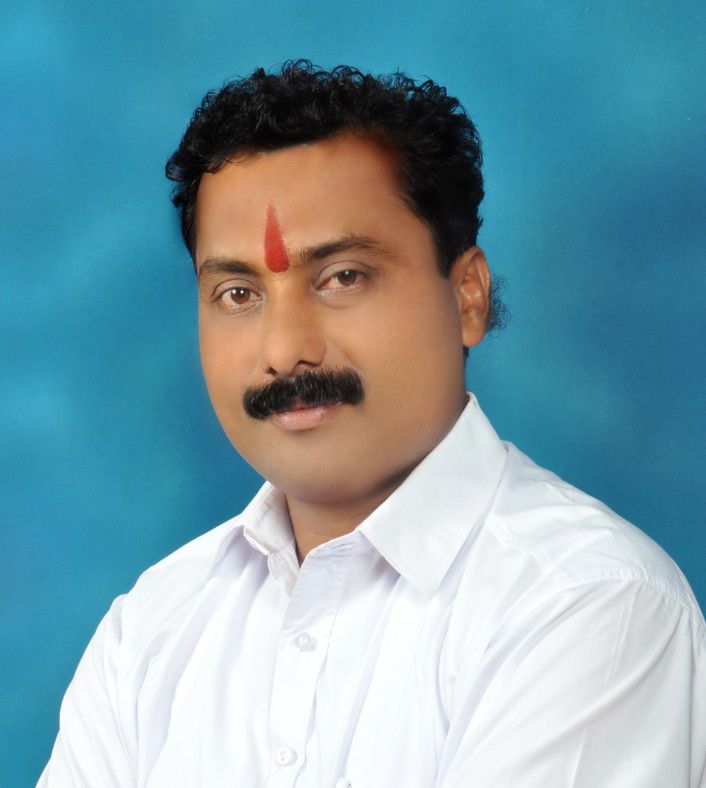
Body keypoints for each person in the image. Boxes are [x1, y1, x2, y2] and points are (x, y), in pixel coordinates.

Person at [38, 59, 705, 787]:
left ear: (469, 296)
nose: (284, 350)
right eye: (237, 293)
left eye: (343, 278)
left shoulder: (588, 603)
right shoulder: (151, 629)